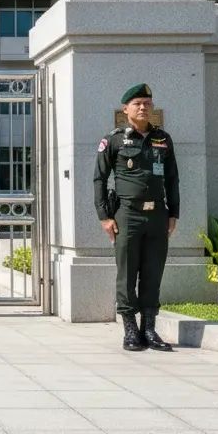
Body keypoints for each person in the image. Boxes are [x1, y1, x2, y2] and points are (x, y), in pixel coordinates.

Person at [93, 83, 178, 352]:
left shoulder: (162, 139)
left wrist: (174, 213)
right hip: (127, 215)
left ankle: (149, 328)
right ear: (126, 109)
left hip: (158, 216)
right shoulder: (115, 139)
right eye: (138, 103)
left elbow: (173, 179)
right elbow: (99, 178)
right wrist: (104, 217)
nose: (143, 108)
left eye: (147, 104)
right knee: (127, 273)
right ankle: (130, 330)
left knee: (153, 273)